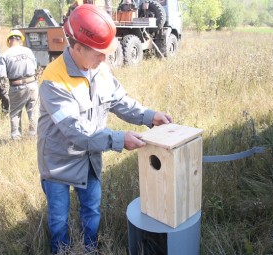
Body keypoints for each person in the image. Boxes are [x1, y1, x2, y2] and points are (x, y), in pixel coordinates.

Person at [37, 4, 172, 254]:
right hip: (58, 163)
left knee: (91, 210)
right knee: (58, 219)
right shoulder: (53, 80)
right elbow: (76, 132)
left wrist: (149, 116)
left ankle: (89, 249)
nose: (105, 58)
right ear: (77, 47)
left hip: (89, 159)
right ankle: (62, 251)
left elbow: (120, 101)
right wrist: (119, 139)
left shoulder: (99, 69)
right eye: (100, 53)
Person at [0, 29, 38, 139]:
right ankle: (34, 136)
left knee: (15, 113)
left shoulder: (5, 55)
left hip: (17, 87)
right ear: (20, 40)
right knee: (33, 112)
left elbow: (0, 75)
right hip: (33, 85)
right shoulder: (29, 51)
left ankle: (16, 138)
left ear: (9, 40)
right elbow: (35, 67)